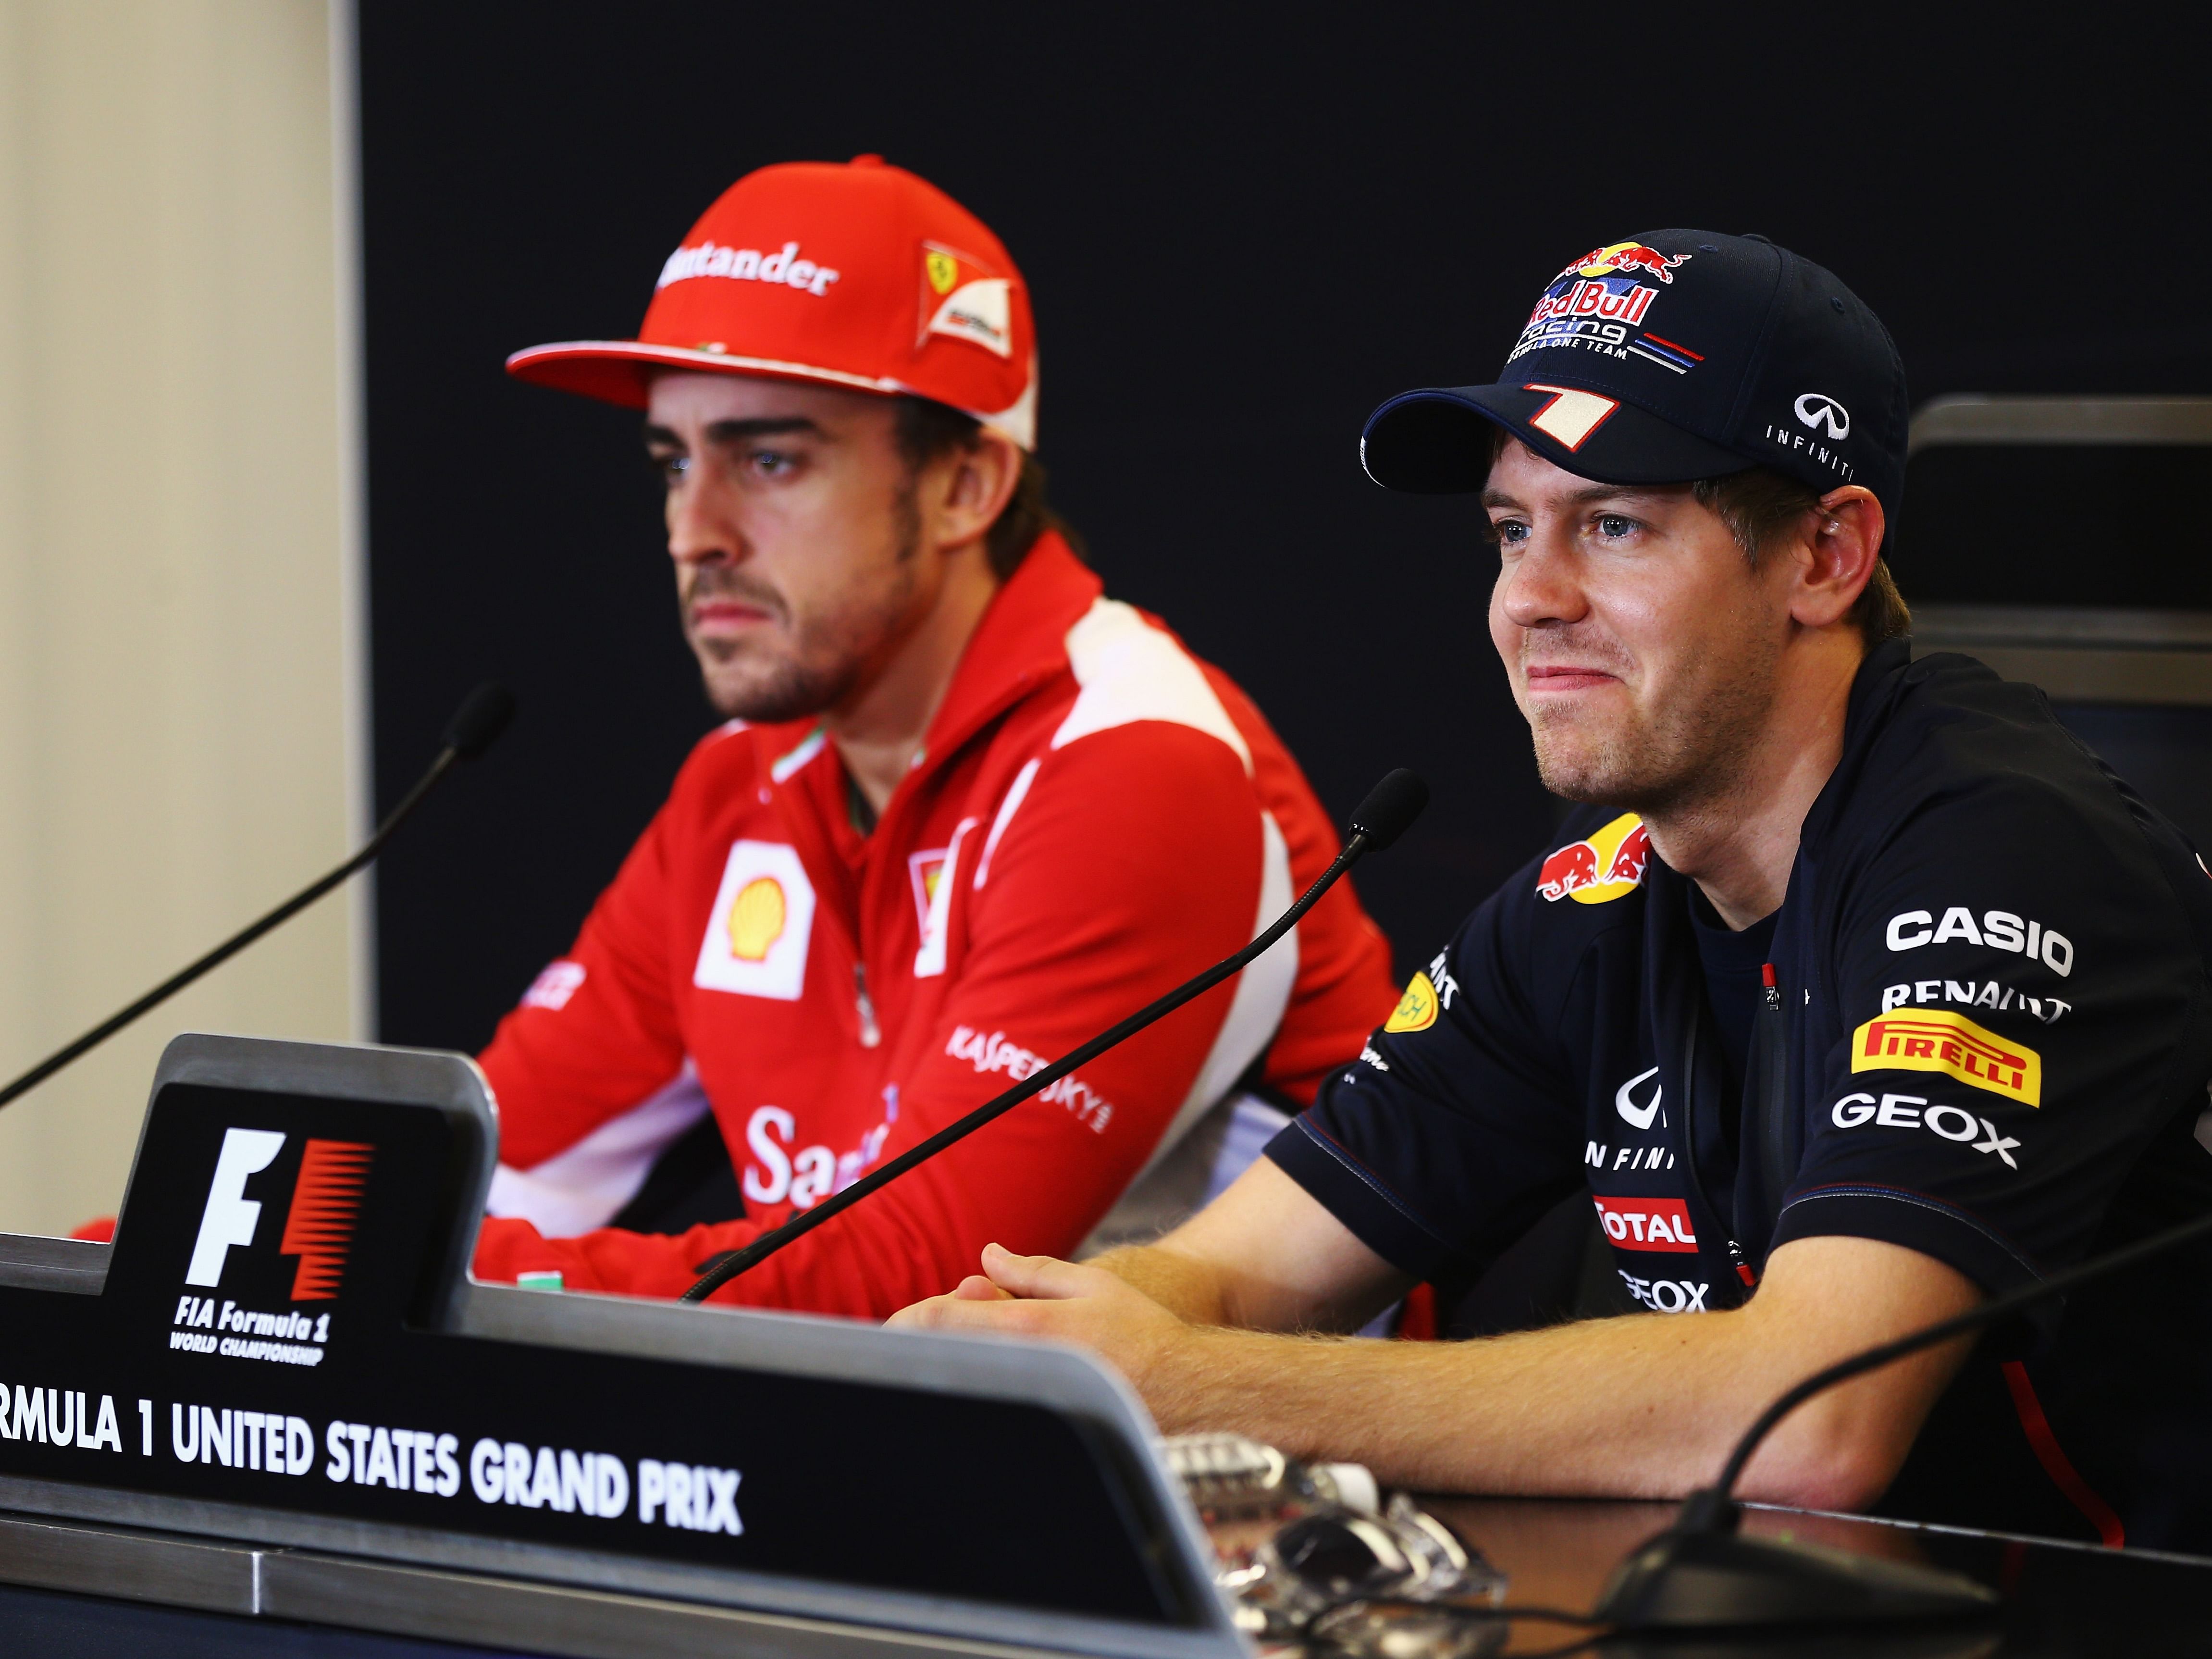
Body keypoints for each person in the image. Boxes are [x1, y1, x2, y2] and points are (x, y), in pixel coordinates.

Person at [893, 231, 2212, 1551]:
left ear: (1824, 556)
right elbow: (1230, 1274)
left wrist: (1194, 1387)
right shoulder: (1588, 905)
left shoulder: (2007, 851)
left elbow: (1809, 1423)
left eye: (1614, 524)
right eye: (1511, 529)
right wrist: (1040, 1346)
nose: (1527, 599)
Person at [469, 156, 1398, 1318]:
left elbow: (923, 1288)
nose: (690, 532)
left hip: (1253, 1472)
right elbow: (485, 1167)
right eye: (672, 462)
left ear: (966, 484)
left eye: (768, 459)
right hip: (919, 1452)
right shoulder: (735, 792)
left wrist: (397, 1259)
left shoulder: (1138, 761)